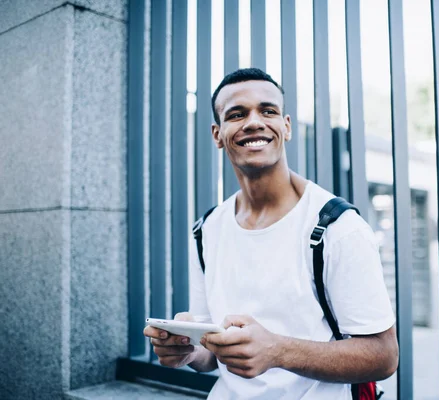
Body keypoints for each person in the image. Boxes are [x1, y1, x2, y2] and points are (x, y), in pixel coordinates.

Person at [144, 68, 398, 399]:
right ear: (217, 134)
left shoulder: (338, 227)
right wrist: (187, 350)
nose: (253, 122)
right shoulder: (206, 230)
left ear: (286, 126)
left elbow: (384, 355)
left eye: (268, 111)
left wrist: (277, 351)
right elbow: (209, 355)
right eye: (237, 114)